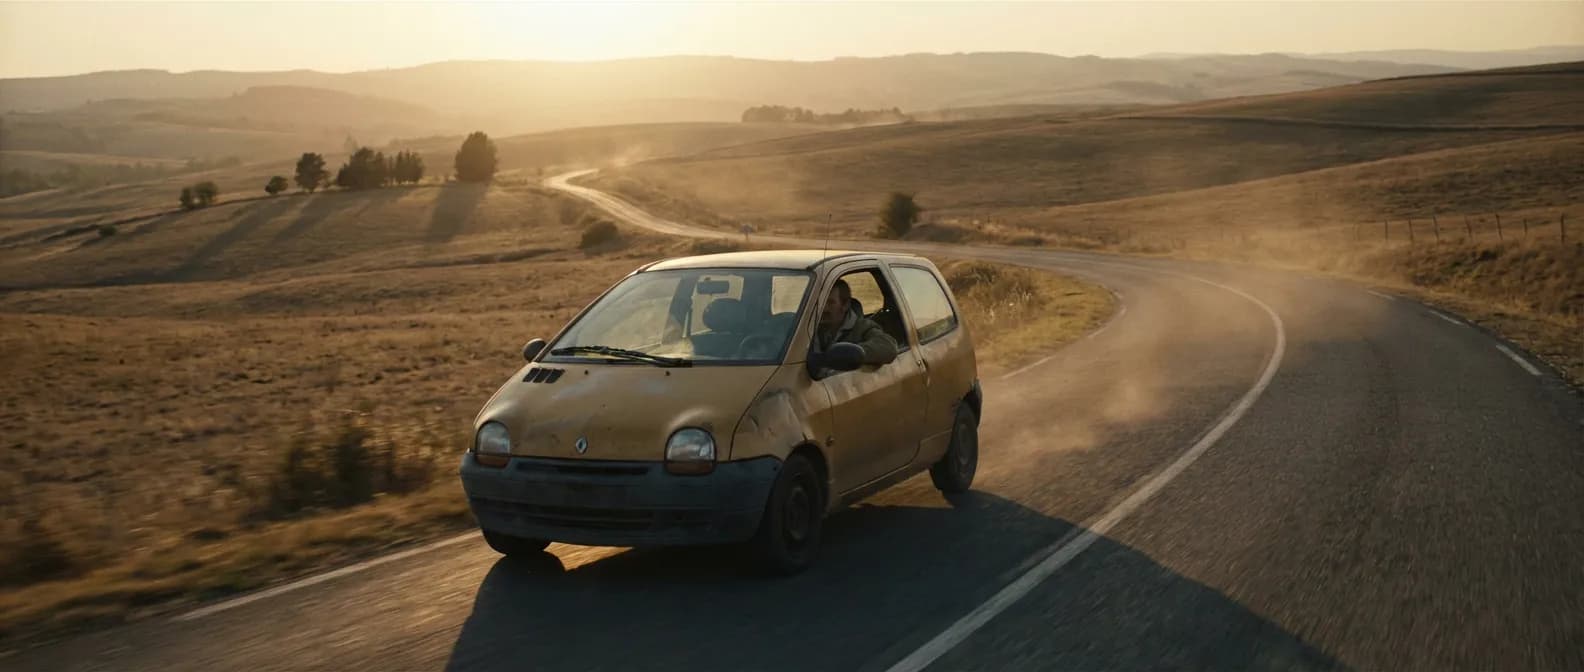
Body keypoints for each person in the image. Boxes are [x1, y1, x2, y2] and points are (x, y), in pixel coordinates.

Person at [813, 278, 898, 367]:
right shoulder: (811, 327)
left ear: (845, 305)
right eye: (821, 302)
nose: (824, 308)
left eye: (830, 303)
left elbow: (888, 347)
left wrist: (853, 353)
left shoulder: (862, 327)